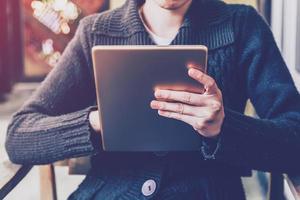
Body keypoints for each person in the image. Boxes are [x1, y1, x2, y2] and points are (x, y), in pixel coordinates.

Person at [5, 0, 300, 199]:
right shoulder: (94, 31)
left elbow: (295, 138)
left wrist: (225, 128)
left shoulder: (242, 26)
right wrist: (96, 121)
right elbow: (19, 137)